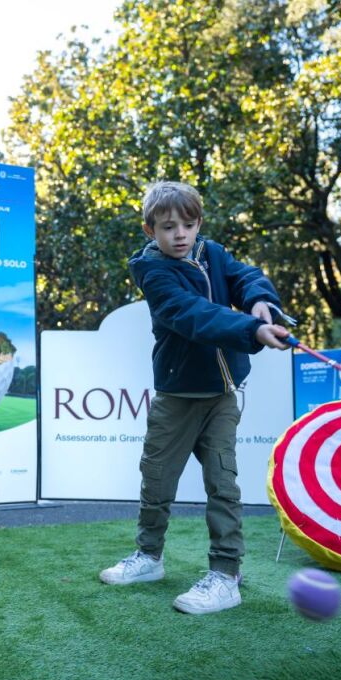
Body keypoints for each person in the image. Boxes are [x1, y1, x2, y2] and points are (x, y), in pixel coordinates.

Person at [99, 181, 292, 614]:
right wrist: (250, 331)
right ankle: (149, 557)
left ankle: (226, 575)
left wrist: (261, 302)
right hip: (176, 396)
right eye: (168, 227)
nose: (180, 234)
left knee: (222, 483)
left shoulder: (212, 252)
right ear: (151, 230)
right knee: (157, 478)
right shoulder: (152, 271)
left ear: (198, 223)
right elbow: (192, 315)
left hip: (222, 396)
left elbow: (245, 276)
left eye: (188, 224)